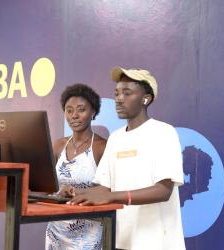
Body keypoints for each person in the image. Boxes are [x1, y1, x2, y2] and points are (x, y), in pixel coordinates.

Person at [68, 68, 186, 250]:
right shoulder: (115, 138)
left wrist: (110, 197)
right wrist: (76, 192)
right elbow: (104, 187)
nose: (118, 98)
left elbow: (163, 191)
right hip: (121, 240)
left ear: (145, 99)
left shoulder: (163, 132)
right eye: (116, 93)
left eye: (127, 93)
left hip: (157, 243)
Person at [45, 83, 107, 250]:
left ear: (93, 112)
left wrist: (78, 192)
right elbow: (47, 186)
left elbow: (108, 189)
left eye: (81, 109)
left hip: (89, 232)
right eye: (69, 110)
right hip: (56, 230)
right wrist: (59, 192)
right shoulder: (59, 145)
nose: (74, 115)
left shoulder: (101, 146)